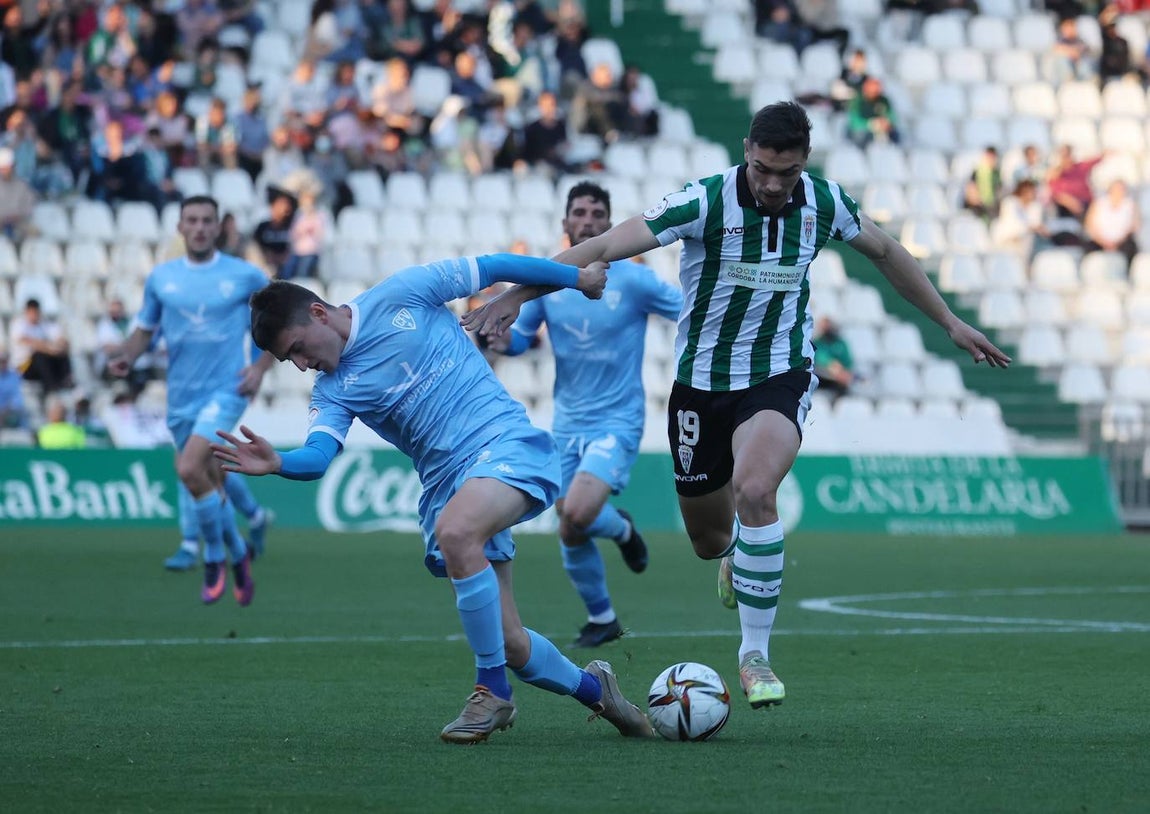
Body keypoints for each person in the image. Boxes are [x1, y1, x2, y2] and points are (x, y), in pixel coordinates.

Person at [464, 101, 1012, 710]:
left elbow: (885, 252)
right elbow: (603, 246)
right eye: (763, 170)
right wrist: (516, 294)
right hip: (701, 387)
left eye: (789, 172)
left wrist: (950, 322)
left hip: (779, 375)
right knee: (707, 537)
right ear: (746, 150)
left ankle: (754, 654)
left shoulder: (824, 203)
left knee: (755, 490)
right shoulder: (703, 201)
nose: (775, 185)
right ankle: (731, 560)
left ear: (805, 161)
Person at [208, 254, 654, 744]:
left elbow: (496, 265)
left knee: (459, 532)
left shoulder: (402, 292)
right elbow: (317, 456)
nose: (300, 364)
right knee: (510, 643)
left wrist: (579, 277)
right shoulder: (333, 389)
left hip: (503, 444)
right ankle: (600, 693)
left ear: (318, 314)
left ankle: (490, 691)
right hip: (448, 486)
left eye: (296, 349)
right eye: (287, 361)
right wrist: (279, 464)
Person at [489, 182, 683, 648]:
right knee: (570, 528)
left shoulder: (634, 281)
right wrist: (501, 339)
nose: (589, 220)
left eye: (599, 213)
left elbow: (689, 311)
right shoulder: (548, 283)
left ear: (610, 224)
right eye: (580, 212)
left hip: (617, 420)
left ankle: (623, 528)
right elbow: (524, 339)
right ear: (566, 224)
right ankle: (603, 618)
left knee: (577, 511)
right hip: (566, 423)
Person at [107, 196, 274, 607]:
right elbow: (144, 330)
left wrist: (258, 369)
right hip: (180, 396)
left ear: (219, 227)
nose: (199, 228)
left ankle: (214, 556)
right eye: (192, 221)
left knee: (187, 468)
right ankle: (238, 553)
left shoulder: (244, 275)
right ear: (180, 228)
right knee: (211, 482)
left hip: (225, 391)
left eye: (207, 221)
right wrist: (127, 354)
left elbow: (279, 321)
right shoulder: (162, 278)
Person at [9, 298, 73, 400]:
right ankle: (51, 388)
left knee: (62, 354)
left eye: (36, 312)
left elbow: (60, 338)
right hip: (24, 367)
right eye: (32, 312)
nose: (35, 315)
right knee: (39, 356)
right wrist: (49, 348)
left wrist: (59, 346)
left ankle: (67, 381)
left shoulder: (44, 324)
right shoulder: (19, 324)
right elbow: (29, 343)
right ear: (27, 312)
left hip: (43, 364)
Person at [1084, 179, 1140, 265]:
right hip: (1100, 241)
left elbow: (1134, 226)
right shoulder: (1098, 203)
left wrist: (1118, 242)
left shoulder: (1130, 204)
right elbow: (1089, 225)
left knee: (1131, 248)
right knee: (1088, 249)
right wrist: (1103, 242)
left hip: (1122, 241)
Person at [811, 316, 853, 402]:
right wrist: (832, 367)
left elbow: (848, 362)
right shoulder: (817, 343)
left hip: (839, 379)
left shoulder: (841, 343)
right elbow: (818, 359)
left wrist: (842, 372)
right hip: (821, 377)